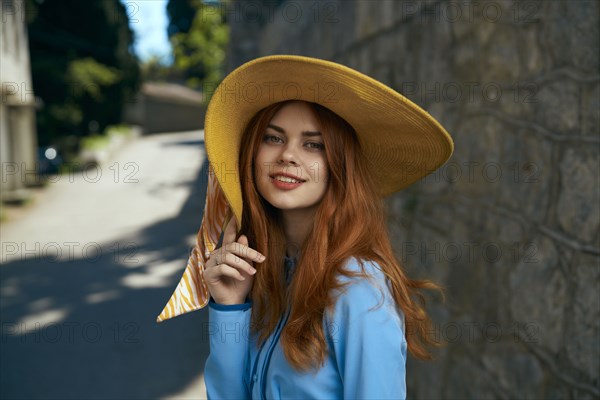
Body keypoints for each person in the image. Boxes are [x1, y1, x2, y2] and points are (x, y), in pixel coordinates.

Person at [156, 55, 454, 399]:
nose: (287, 155)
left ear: (339, 165)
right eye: (273, 138)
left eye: (313, 144)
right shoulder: (268, 274)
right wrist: (229, 307)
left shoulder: (357, 290)